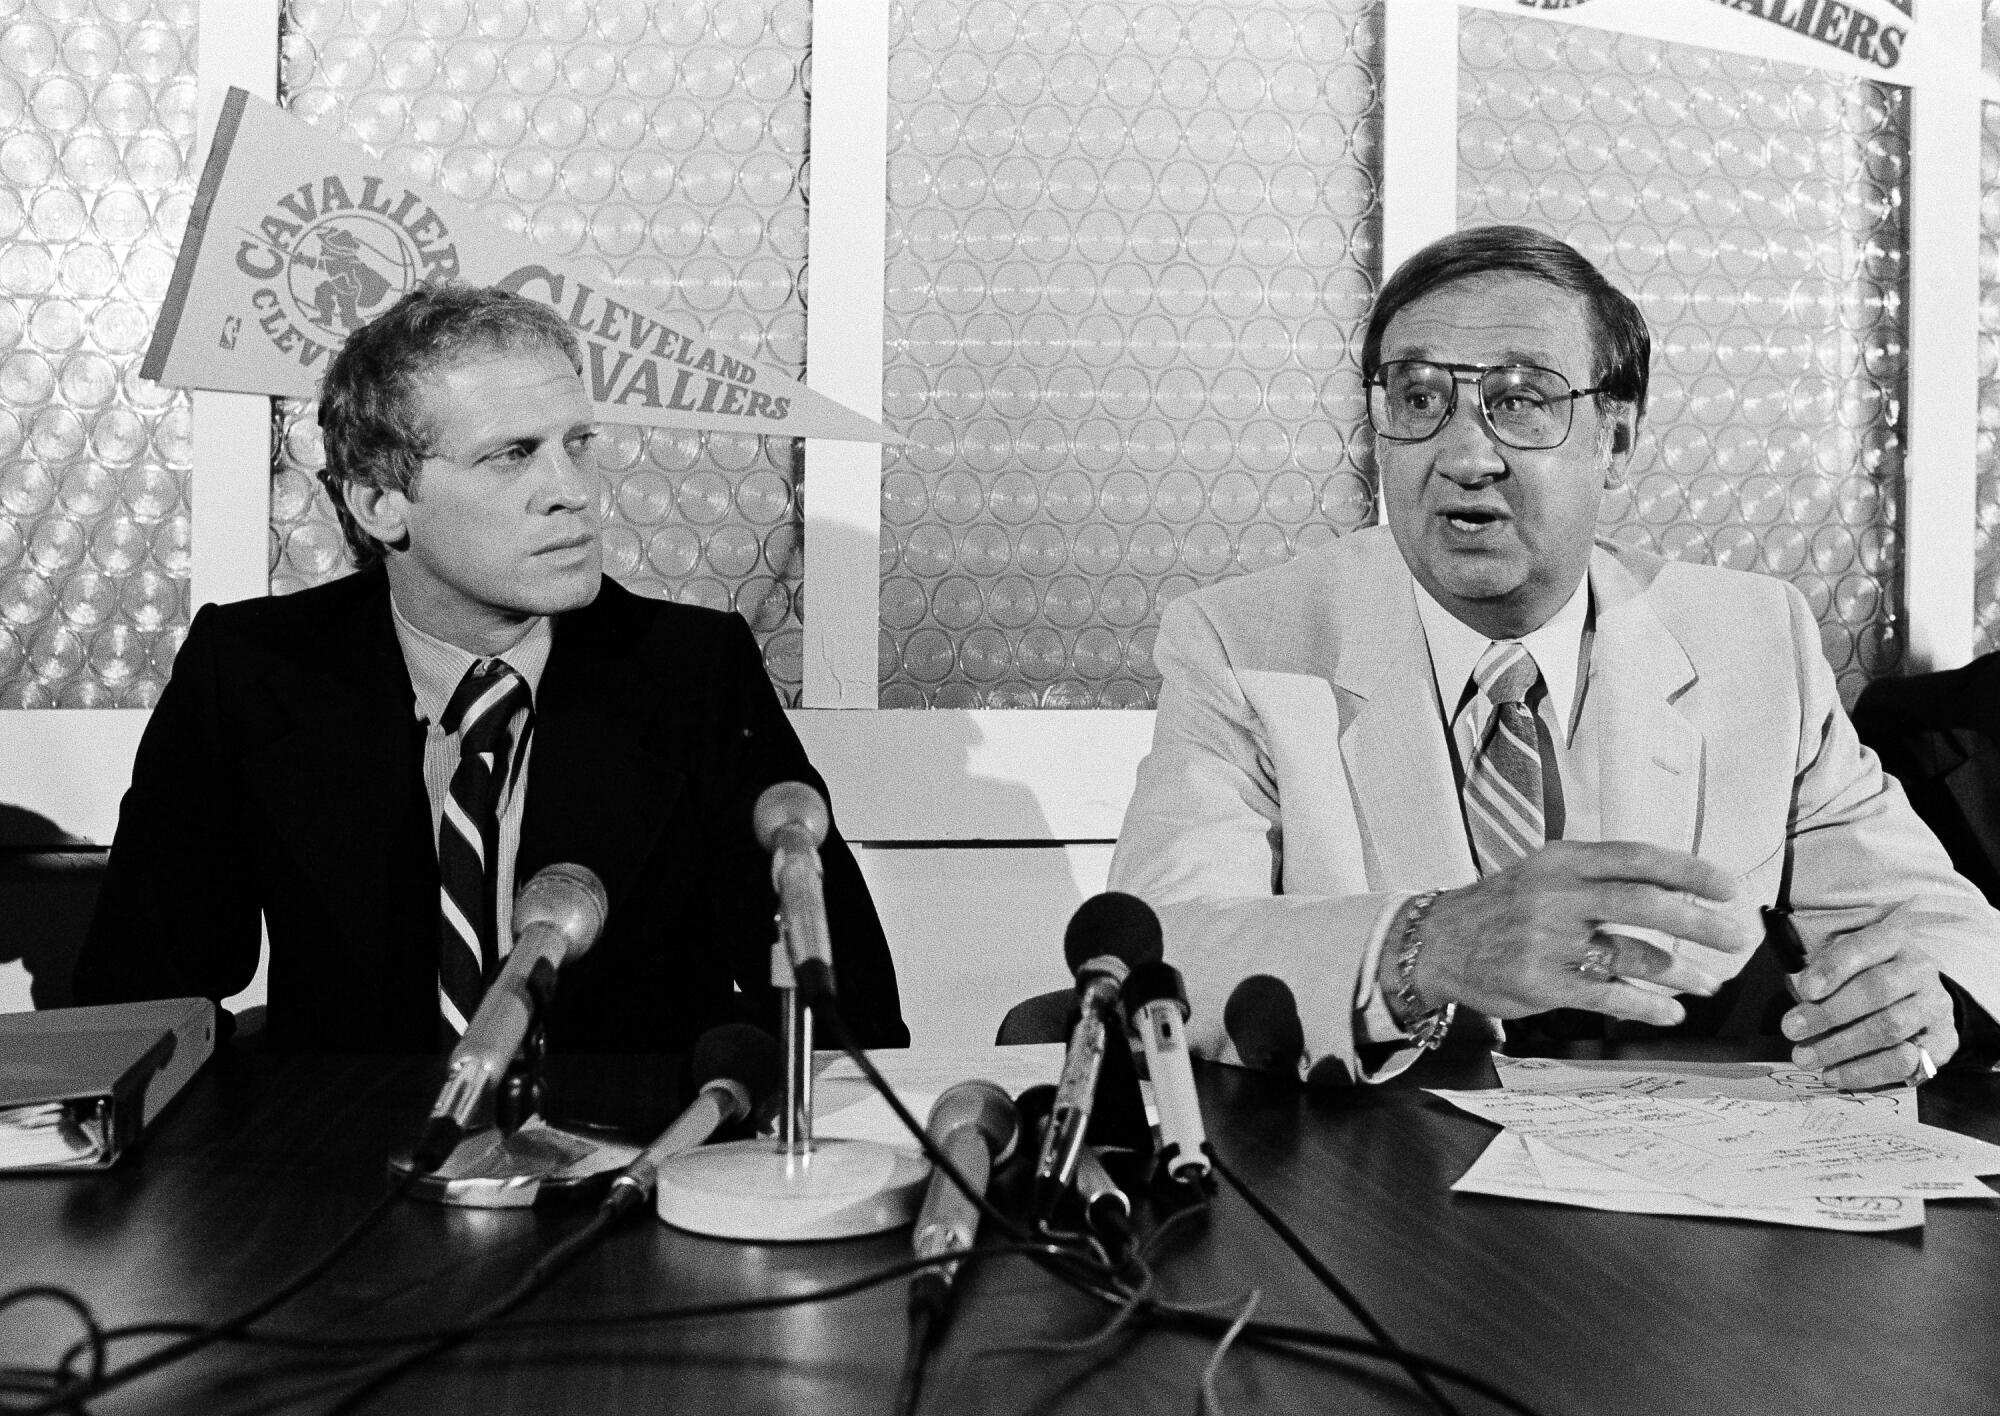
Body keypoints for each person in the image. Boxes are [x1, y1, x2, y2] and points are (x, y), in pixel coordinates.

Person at [1110, 224, 2000, 1090]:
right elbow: (1163, 945)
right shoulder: (1246, 644)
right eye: (1419, 399)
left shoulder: (1754, 638)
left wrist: (1926, 1003)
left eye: (1521, 401)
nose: (1463, 455)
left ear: (1616, 439)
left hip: (1670, 1186)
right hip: (1371, 1180)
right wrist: (1428, 946)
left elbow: (1942, 923)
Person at [74, 284, 907, 1060]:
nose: (571, 491)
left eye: (579, 446)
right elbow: (138, 1005)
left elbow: (848, 1017)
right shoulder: (251, 670)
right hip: (340, 1178)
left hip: (619, 1173)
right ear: (379, 504)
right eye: (512, 455)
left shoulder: (693, 670)